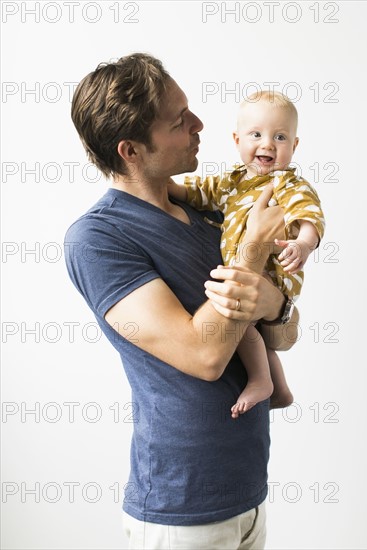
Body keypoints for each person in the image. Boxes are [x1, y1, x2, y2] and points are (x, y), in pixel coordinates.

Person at [64, 52, 298, 550]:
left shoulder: (210, 217)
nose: (199, 125)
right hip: (182, 511)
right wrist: (254, 248)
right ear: (130, 150)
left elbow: (284, 333)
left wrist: (275, 302)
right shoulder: (98, 239)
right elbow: (204, 355)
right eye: (179, 121)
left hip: (249, 492)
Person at [168, 91, 325, 418]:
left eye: (280, 137)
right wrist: (166, 186)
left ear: (294, 147)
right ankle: (277, 387)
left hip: (274, 267)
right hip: (248, 267)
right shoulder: (232, 181)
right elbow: (197, 192)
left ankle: (261, 381)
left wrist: (304, 244)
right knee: (248, 329)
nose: (267, 144)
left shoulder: (287, 183)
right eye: (256, 135)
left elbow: (309, 216)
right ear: (237, 140)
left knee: (240, 319)